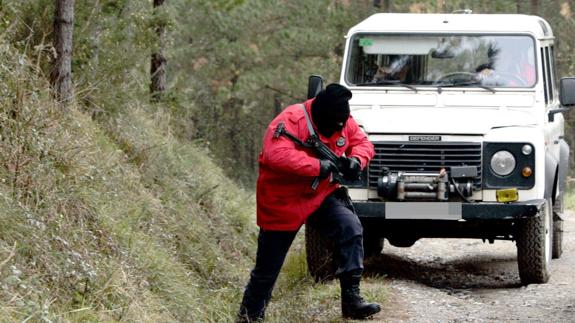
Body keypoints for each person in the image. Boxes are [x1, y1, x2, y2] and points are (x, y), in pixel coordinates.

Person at [237, 84, 380, 322]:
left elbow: (364, 144)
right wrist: (316, 166)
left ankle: (352, 300)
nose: (338, 131)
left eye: (341, 126)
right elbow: (275, 154)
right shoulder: (291, 120)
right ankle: (250, 317)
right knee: (267, 269)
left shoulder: (342, 119)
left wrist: (357, 159)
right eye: (332, 127)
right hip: (282, 200)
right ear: (319, 116)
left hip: (321, 194)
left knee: (351, 228)